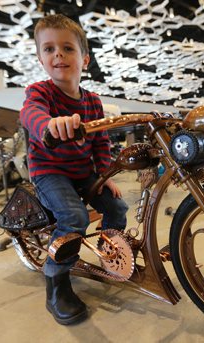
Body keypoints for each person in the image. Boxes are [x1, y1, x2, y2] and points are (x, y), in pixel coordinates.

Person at [19, 14, 129, 326]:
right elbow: (31, 114)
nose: (58, 55)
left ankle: (110, 256)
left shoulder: (93, 101)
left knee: (117, 208)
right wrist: (49, 124)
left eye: (67, 48)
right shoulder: (41, 93)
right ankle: (57, 282)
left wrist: (105, 176)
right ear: (41, 58)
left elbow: (101, 143)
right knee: (74, 217)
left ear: (85, 58)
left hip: (82, 172)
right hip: (50, 171)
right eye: (49, 49)